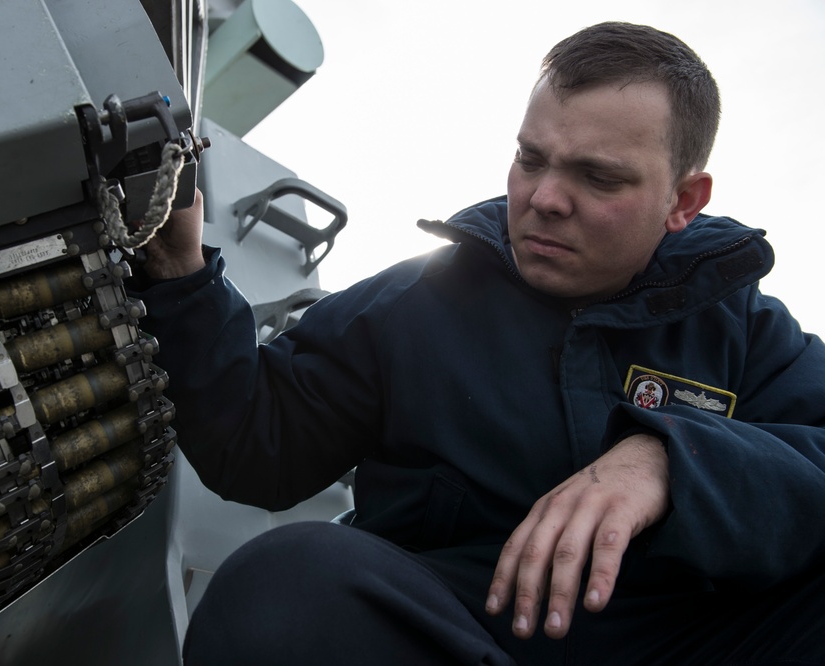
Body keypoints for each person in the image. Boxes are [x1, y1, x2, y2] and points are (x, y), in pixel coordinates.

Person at [131, 21, 825, 665]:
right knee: (279, 589)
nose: (545, 197)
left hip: (688, 638)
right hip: (472, 629)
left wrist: (675, 459)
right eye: (532, 158)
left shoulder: (741, 325)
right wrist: (180, 275)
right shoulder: (414, 306)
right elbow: (258, 443)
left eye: (598, 176)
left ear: (684, 201)